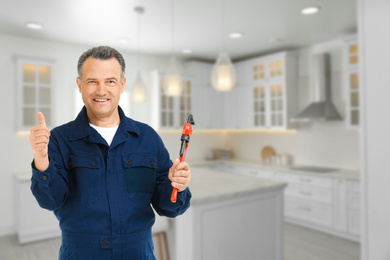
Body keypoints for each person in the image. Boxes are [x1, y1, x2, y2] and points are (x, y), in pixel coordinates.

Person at [29, 46, 192, 260]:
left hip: (139, 254)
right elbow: (51, 201)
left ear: (122, 85)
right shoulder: (59, 139)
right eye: (92, 81)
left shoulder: (147, 138)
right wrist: (41, 158)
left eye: (110, 81)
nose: (101, 90)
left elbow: (168, 208)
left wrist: (178, 185)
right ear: (80, 85)